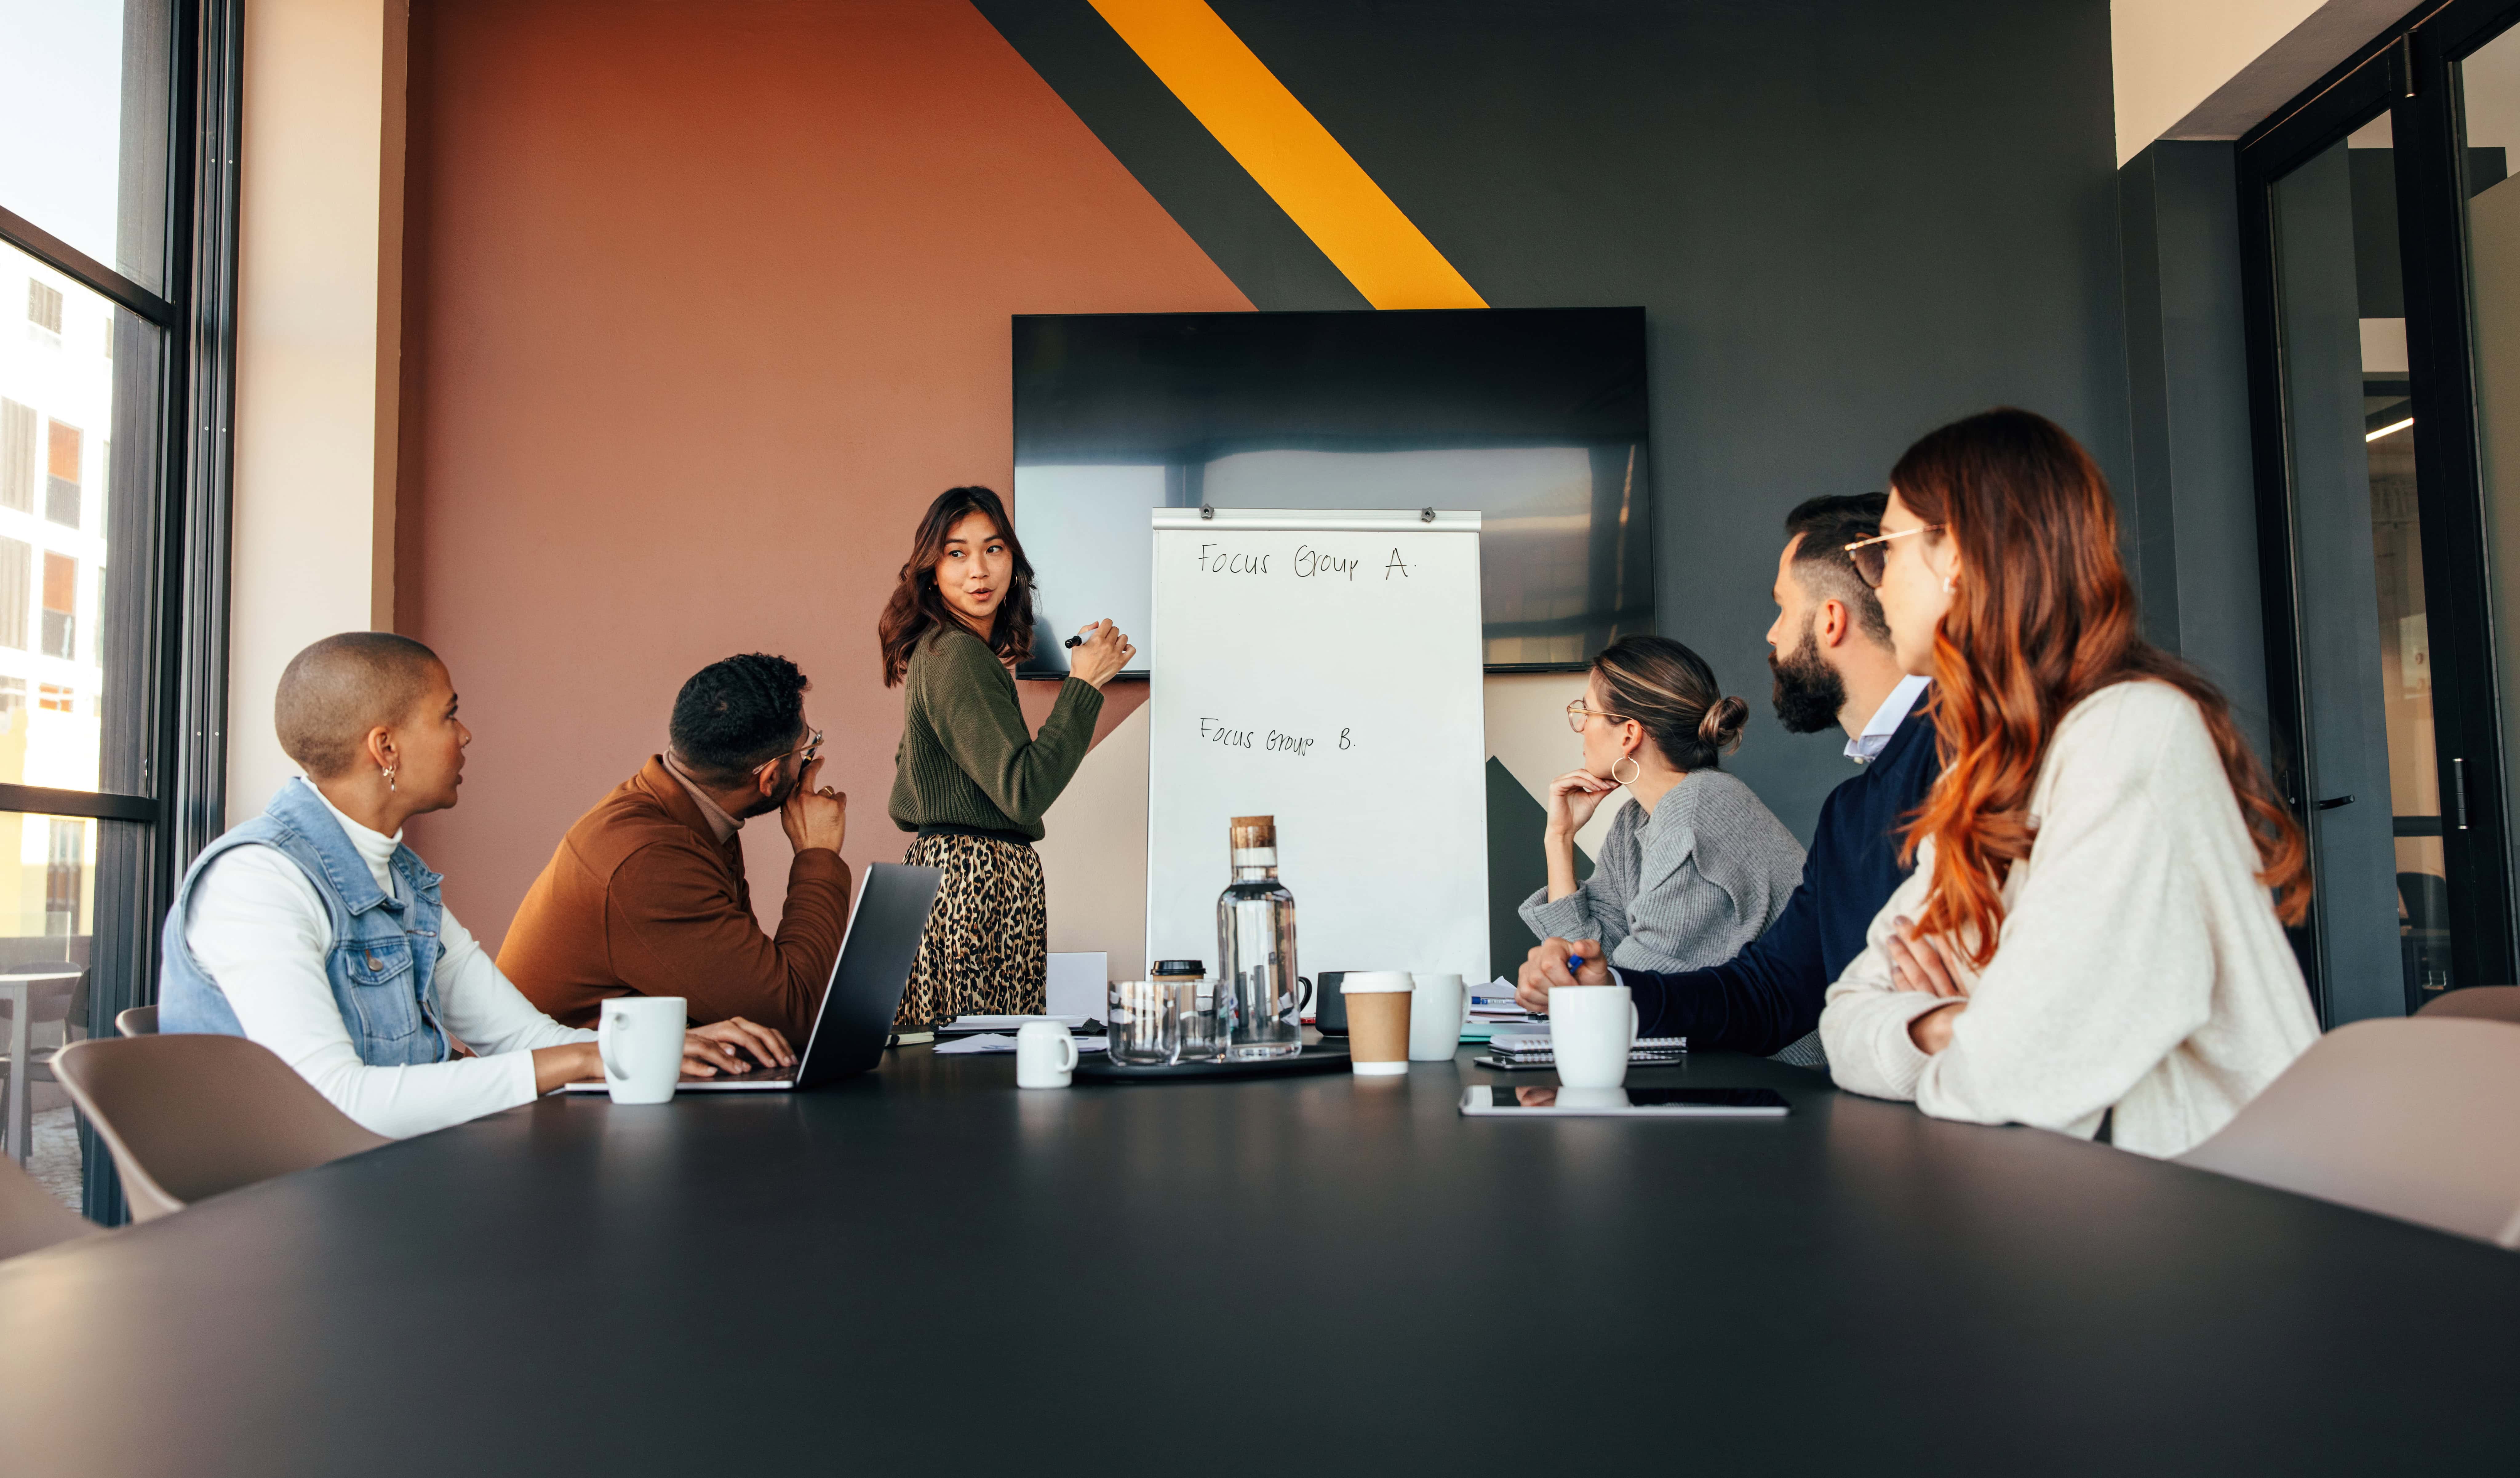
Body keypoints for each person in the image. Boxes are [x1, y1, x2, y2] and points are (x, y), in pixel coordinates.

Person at [1817, 408, 2318, 1156]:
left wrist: (1965, 1022)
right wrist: (1951, 1021)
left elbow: (2008, 1072)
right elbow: (1844, 1018)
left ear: (1953, 553)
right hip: (2078, 1200)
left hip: (2209, 1223)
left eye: (1881, 552)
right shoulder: (1988, 767)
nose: (1876, 587)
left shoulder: (2130, 736)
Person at [159, 633, 790, 1140]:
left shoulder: (403, 880)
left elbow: (522, 1036)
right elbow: (335, 1100)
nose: (464, 734)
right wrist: (586, 1059)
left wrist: (659, 1046)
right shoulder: (257, 881)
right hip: (285, 1222)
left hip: (390, 1185)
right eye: (449, 714)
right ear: (386, 746)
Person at [1516, 495, 1938, 1066]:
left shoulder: (1701, 811)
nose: (1771, 634)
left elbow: (1674, 977)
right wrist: (1603, 979)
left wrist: (1611, 986)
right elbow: (1768, 990)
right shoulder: (1852, 808)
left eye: (1782, 608)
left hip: (1812, 1095)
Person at [499, 653, 852, 1046]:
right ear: (769, 777)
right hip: (550, 1100)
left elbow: (747, 994)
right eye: (806, 749)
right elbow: (795, 1017)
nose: (809, 760)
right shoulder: (650, 860)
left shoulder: (689, 813)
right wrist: (817, 855)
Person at [879, 485, 1131, 1023]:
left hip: (964, 877)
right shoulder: (955, 654)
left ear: (1013, 562)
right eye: (956, 552)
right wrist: (1084, 685)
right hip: (975, 883)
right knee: (978, 1076)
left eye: (993, 549)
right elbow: (1023, 793)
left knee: (963, 1071)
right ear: (931, 571)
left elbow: (912, 779)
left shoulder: (949, 651)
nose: (979, 570)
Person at [1519, 636, 1803, 978]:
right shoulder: (1635, 819)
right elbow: (1590, 957)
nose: (1580, 728)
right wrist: (1560, 837)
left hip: (1784, 1032)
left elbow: (1630, 989)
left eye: (1586, 712)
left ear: (1628, 735)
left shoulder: (1694, 820)